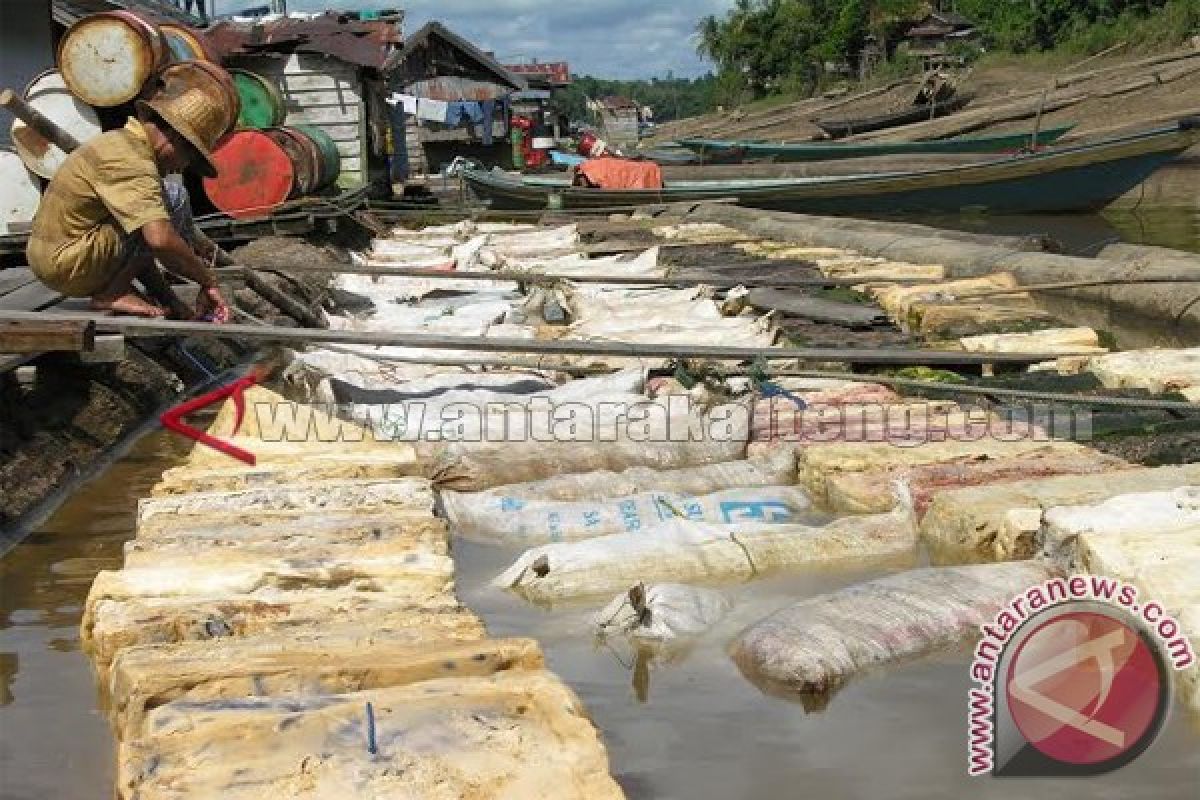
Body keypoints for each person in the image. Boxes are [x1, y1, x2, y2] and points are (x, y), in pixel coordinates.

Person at [27, 83, 232, 321]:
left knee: (157, 207)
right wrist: (208, 280)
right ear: (175, 138)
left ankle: (122, 290)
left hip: (58, 257)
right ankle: (112, 293)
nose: (181, 167)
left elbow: (141, 253)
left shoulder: (122, 142)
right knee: (171, 201)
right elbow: (159, 239)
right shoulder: (131, 160)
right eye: (188, 158)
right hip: (65, 263)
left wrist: (173, 303)